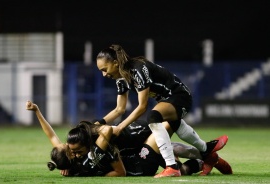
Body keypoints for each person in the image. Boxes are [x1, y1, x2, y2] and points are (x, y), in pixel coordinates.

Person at [96, 44, 228, 178]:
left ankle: (172, 167)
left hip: (179, 96)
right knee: (173, 124)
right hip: (167, 101)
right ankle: (207, 150)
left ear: (115, 63)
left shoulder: (137, 69)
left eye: (104, 69)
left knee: (153, 117)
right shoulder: (121, 80)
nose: (104, 74)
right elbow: (119, 109)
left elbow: (142, 107)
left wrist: (120, 127)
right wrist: (99, 123)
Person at [26, 100, 232, 177]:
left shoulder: (73, 151)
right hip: (137, 154)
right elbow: (107, 135)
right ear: (72, 159)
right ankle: (204, 157)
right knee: (170, 146)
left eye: (70, 148)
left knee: (168, 139)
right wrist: (95, 130)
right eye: (72, 152)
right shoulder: (90, 152)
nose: (71, 149)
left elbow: (51, 135)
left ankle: (206, 155)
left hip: (136, 141)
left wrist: (37, 112)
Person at [25, 100, 126, 177]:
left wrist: (36, 110)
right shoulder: (88, 157)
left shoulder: (68, 155)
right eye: (67, 146)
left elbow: (51, 135)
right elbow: (107, 130)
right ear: (72, 155)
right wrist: (90, 129)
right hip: (126, 139)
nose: (66, 144)